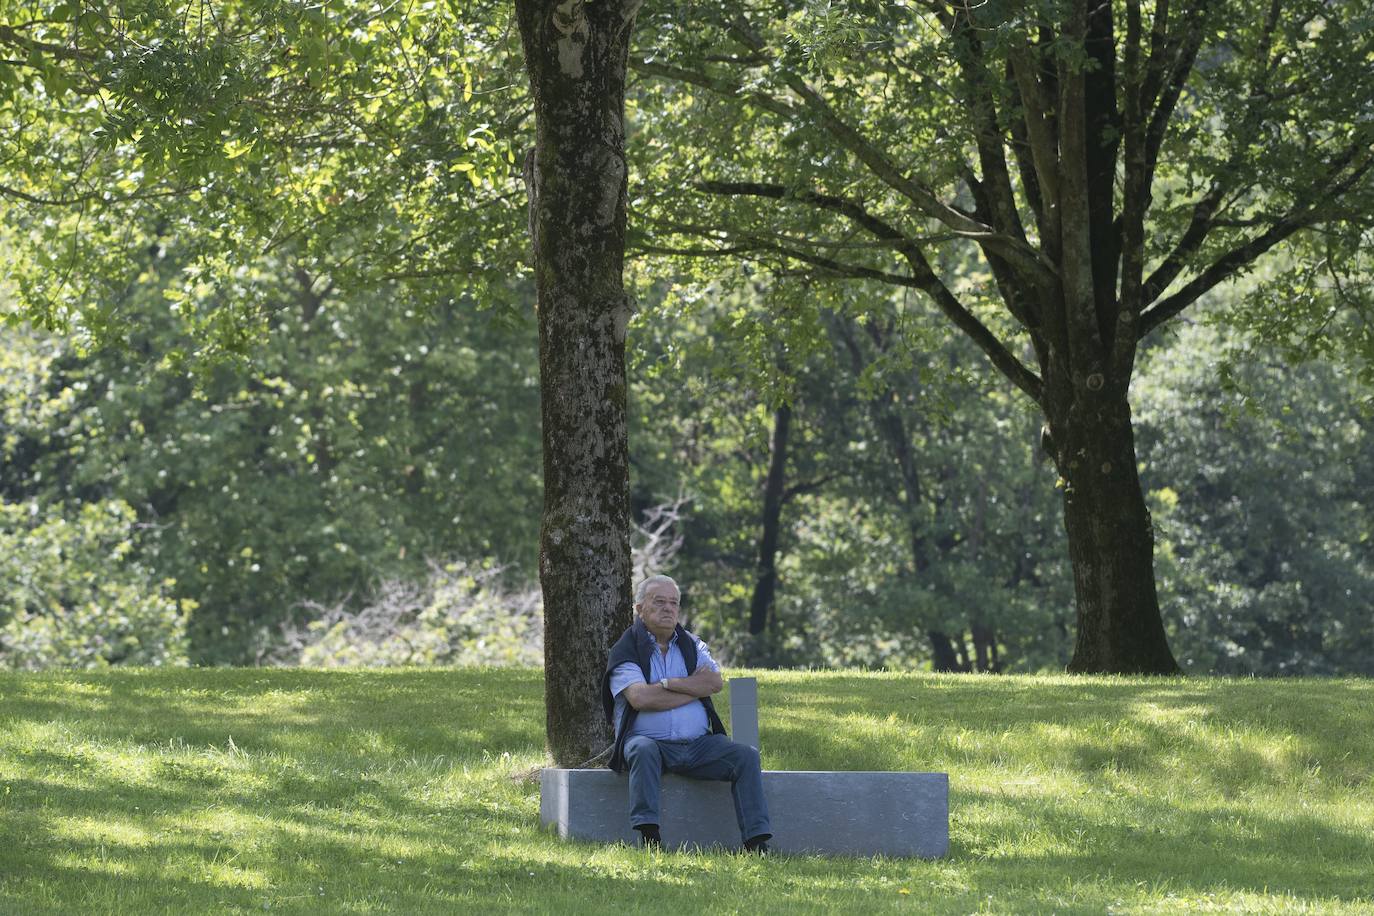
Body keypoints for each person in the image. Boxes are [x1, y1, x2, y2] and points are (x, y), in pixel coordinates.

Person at [599, 574, 773, 853]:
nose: (668, 608)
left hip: (699, 746)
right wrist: (694, 688)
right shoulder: (626, 648)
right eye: (659, 602)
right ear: (640, 608)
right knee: (642, 749)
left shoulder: (692, 645)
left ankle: (756, 841)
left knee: (745, 756)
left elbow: (714, 682)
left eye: (674, 603)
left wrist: (669, 684)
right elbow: (640, 698)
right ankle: (649, 837)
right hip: (650, 743)